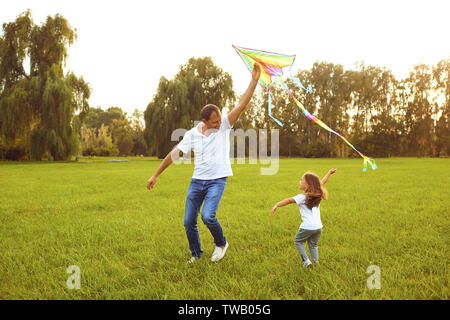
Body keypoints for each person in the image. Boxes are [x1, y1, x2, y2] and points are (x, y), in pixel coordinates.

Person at [147, 64, 261, 263]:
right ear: (204, 121)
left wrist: (254, 80)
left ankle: (222, 243)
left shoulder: (225, 125)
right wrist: (155, 175)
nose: (219, 124)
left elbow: (242, 104)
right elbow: (174, 154)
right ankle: (196, 254)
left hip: (217, 180)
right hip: (197, 181)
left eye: (219, 120)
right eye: (214, 122)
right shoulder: (192, 135)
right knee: (188, 221)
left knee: (208, 216)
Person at [270, 168, 337, 268]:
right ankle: (316, 263)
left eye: (302, 180)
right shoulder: (317, 194)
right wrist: (329, 173)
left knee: (298, 241)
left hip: (307, 226)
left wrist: (277, 205)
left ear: (307, 185)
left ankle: (306, 261)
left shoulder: (302, 197)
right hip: (318, 227)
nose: (300, 181)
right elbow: (322, 183)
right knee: (313, 244)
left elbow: (289, 200)